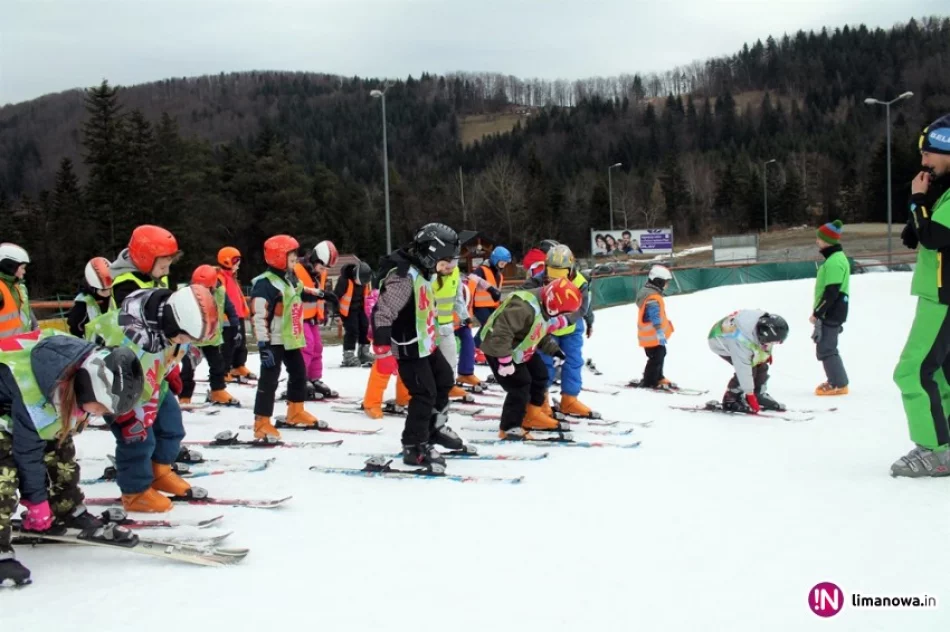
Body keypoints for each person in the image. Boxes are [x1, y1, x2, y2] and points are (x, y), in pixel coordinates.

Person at [0, 333, 144, 586]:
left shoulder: (82, 369)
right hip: (14, 401)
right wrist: (36, 502)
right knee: (5, 473)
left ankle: (67, 509)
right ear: (87, 389)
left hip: (14, 403)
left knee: (60, 446)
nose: (101, 415)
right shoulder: (35, 393)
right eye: (100, 408)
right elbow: (27, 454)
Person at [85, 284, 217, 512]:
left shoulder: (169, 325)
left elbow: (166, 351)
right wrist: (123, 415)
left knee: (171, 426)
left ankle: (160, 472)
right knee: (137, 438)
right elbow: (107, 376)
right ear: (175, 323)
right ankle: (135, 491)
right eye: (186, 337)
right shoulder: (126, 337)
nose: (187, 342)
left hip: (152, 381)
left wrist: (171, 370)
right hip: (117, 388)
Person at [371, 223, 467, 470]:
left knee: (445, 379)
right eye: (445, 262)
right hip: (408, 348)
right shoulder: (404, 276)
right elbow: (383, 313)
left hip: (426, 343)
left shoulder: (424, 270)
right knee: (424, 394)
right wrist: (382, 351)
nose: (449, 269)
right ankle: (414, 446)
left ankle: (434, 427)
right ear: (429, 253)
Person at [891, 113, 950, 478]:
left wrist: (917, 201)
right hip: (939, 294)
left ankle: (934, 450)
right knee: (941, 374)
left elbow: (937, 237)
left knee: (912, 372)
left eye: (929, 154)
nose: (924, 162)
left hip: (942, 298)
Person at [481, 279, 581, 440]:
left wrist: (554, 350)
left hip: (520, 347)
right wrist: (504, 360)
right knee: (520, 384)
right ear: (551, 300)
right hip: (498, 349)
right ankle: (509, 427)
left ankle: (531, 415)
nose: (559, 317)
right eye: (560, 312)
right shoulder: (523, 307)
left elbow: (538, 331)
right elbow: (502, 332)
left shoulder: (544, 308)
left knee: (540, 374)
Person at [250, 235, 320, 441]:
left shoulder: (289, 278)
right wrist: (263, 345)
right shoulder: (265, 283)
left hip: (290, 338)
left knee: (299, 373)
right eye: (291, 256)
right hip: (273, 340)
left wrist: (322, 294)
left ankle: (295, 411)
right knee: (269, 380)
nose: (296, 259)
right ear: (278, 256)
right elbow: (258, 314)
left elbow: (300, 291)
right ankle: (261, 422)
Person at [523, 244, 596, 417]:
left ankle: (569, 400)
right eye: (552, 274)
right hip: (546, 330)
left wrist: (588, 322)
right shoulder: (538, 279)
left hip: (571, 328)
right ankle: (541, 402)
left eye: (560, 274)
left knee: (574, 362)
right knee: (544, 365)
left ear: (570, 268)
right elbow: (523, 296)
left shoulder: (580, 282)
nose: (555, 279)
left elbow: (584, 308)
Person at [178, 264, 240, 406]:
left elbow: (230, 309)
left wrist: (235, 326)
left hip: (211, 337)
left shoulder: (220, 292)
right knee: (188, 368)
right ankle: (184, 395)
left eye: (206, 288)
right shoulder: (186, 293)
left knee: (218, 365)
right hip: (191, 339)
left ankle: (217, 391)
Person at [707, 311, 789, 413]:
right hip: (721, 341)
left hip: (747, 338)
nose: (773, 344)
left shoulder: (763, 326)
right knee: (750, 369)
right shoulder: (740, 340)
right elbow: (743, 368)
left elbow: (766, 342)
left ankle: (759, 393)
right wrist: (750, 395)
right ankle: (731, 398)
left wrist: (766, 354)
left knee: (762, 366)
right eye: (773, 342)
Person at [294, 241, 339, 398]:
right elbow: (297, 292)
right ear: (315, 259)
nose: (324, 271)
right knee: (306, 346)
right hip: (298, 317)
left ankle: (315, 378)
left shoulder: (319, 272)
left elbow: (321, 293)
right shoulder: (296, 269)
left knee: (317, 347)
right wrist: (317, 295)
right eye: (323, 267)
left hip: (312, 316)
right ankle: (300, 378)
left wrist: (324, 310)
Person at [812, 220, 850, 396]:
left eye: (819, 239)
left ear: (827, 240)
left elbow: (832, 291)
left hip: (832, 311)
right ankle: (835, 380)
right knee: (826, 346)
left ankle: (838, 383)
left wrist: (818, 312)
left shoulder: (835, 262)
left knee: (827, 348)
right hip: (834, 310)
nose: (817, 242)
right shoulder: (835, 259)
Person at [362, 285, 412, 419]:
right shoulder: (378, 296)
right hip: (383, 336)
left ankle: (405, 398)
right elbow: (374, 315)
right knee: (383, 367)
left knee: (406, 366)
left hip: (402, 336)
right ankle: (371, 403)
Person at [108, 225, 179, 310]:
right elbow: (135, 317)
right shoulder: (124, 285)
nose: (166, 272)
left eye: (168, 266)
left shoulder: (161, 275)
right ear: (145, 260)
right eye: (162, 268)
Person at [433, 263, 474, 399]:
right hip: (428, 326)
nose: (449, 270)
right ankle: (426, 389)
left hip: (446, 324)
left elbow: (458, 298)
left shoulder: (455, 272)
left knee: (450, 358)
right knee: (427, 361)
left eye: (452, 266)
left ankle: (448, 386)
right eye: (446, 267)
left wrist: (464, 316)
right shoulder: (429, 274)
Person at [217, 246, 254, 381]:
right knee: (228, 344)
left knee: (241, 342)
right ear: (227, 260)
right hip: (227, 317)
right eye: (236, 261)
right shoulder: (220, 277)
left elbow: (237, 296)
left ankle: (239, 365)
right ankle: (225, 368)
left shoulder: (232, 277)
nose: (238, 264)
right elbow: (222, 297)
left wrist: (245, 310)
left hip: (239, 316)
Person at [634, 265, 675, 389]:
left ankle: (658, 377)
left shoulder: (649, 293)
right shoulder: (652, 298)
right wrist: (659, 332)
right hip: (652, 336)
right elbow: (654, 316)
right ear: (659, 281)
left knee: (660, 354)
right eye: (666, 282)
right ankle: (649, 380)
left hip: (652, 336)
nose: (667, 285)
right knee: (655, 357)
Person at [470, 245, 511, 363]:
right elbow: (471, 282)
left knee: (493, 327)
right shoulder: (482, 270)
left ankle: (480, 349)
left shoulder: (499, 275)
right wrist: (470, 305)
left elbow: (497, 293)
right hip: (479, 306)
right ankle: (474, 349)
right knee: (488, 325)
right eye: (502, 263)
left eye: (505, 264)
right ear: (495, 260)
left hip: (492, 306)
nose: (503, 266)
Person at [336, 260, 373, 367]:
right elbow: (335, 297)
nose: (362, 284)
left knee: (366, 327)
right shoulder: (344, 281)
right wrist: (336, 314)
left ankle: (364, 352)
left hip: (360, 308)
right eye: (360, 282)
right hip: (347, 310)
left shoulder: (365, 281)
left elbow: (367, 296)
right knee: (352, 330)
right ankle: (348, 355)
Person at [67, 257, 114, 339]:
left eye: (110, 288)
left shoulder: (114, 296)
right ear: (92, 287)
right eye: (103, 290)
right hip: (93, 347)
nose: (108, 292)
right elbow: (74, 326)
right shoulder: (83, 304)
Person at [0, 243, 38, 340]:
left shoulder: (17, 288)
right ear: (9, 266)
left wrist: (35, 327)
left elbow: (26, 310)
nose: (24, 272)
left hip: (16, 348)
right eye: (22, 268)